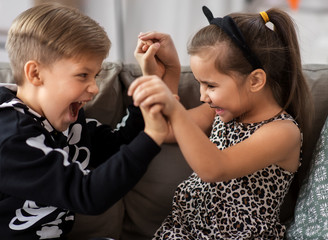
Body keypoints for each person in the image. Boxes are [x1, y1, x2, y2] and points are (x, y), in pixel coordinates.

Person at [0, 3, 171, 239]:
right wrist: (152, 137)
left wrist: (148, 84)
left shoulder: (68, 121)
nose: (94, 88)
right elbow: (88, 195)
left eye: (95, 76)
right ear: (35, 74)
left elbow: (117, 146)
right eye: (83, 75)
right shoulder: (9, 138)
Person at [129, 6, 312, 239]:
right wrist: (162, 73)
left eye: (210, 85)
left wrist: (174, 107)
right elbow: (163, 130)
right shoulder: (219, 111)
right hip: (186, 231)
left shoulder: (282, 132)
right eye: (199, 84)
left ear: (255, 80)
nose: (202, 96)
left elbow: (215, 169)